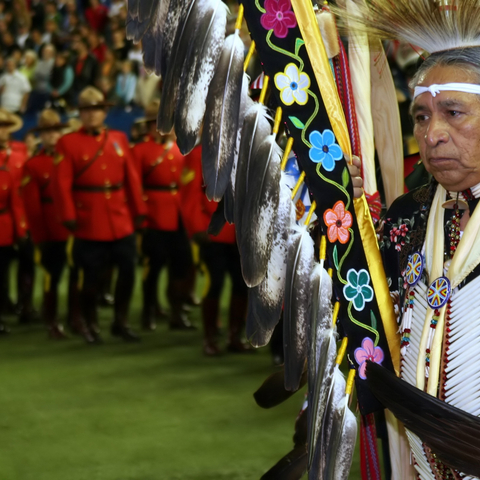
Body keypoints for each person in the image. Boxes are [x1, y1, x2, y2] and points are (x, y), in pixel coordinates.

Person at [52, 86, 146, 344]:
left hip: (120, 217)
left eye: (96, 110)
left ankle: (121, 321)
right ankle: (89, 323)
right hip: (88, 219)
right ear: (80, 114)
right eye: (86, 111)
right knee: (90, 277)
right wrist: (69, 216)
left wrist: (139, 210)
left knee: (127, 272)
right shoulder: (67, 143)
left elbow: (132, 178)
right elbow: (61, 184)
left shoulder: (118, 138)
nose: (92, 115)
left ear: (104, 112)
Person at [132, 100, 196, 331]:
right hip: (154, 214)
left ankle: (176, 313)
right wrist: (141, 215)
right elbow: (135, 184)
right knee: (154, 266)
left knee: (182, 264)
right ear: (151, 126)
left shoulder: (180, 148)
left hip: (178, 213)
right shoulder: (139, 150)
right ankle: (148, 312)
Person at [181, 143, 250, 356]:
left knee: (242, 285)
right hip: (213, 233)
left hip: (240, 233)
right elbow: (189, 195)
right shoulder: (199, 155)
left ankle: (234, 337)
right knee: (214, 285)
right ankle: (210, 339)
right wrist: (197, 228)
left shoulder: (246, 151)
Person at [22, 109, 81, 339]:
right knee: (52, 277)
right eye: (46, 133)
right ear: (40, 136)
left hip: (75, 227)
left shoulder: (71, 157)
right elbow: (33, 209)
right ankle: (52, 320)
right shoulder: (34, 165)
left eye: (55, 131)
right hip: (51, 229)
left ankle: (76, 317)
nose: (52, 137)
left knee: (78, 274)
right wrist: (40, 238)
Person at [0, 109, 27, 334]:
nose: (3, 130)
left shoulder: (19, 155)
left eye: (5, 125)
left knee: (6, 267)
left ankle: (18, 304)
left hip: (10, 220)